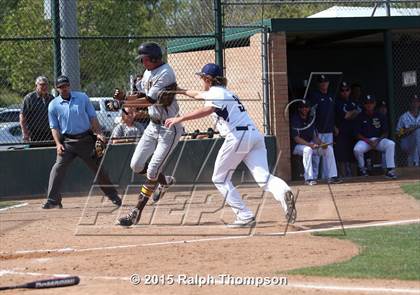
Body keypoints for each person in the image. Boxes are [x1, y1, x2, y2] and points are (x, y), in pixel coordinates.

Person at [165, 63, 297, 227]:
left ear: (208, 79)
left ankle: (245, 216)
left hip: (238, 136)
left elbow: (208, 109)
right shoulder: (225, 92)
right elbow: (198, 95)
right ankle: (283, 191)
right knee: (264, 178)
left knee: (219, 178)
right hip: (254, 135)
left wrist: (180, 118)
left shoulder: (216, 93)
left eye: (202, 78)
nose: (201, 80)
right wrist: (179, 90)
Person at [115, 42, 184, 227]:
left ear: (154, 58)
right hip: (153, 126)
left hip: (169, 128)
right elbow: (140, 96)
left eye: (144, 59)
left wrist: (123, 102)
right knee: (136, 165)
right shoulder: (147, 72)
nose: (142, 62)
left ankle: (136, 212)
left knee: (152, 170)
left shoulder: (165, 72)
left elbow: (149, 100)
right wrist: (124, 99)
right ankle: (164, 182)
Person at [42, 75, 121, 209]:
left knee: (98, 169)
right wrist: (58, 144)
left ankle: (113, 196)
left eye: (66, 86)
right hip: (67, 142)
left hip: (85, 140)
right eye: (61, 87)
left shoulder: (82, 97)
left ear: (69, 86)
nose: (64, 89)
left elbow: (92, 117)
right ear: (57, 88)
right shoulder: (53, 105)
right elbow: (54, 127)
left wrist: (100, 133)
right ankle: (53, 200)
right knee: (57, 168)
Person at [291, 100, 339, 185]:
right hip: (298, 146)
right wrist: (309, 144)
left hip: (311, 145)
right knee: (307, 150)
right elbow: (296, 138)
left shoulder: (310, 118)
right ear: (299, 109)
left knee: (329, 149)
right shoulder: (295, 119)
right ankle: (309, 178)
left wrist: (322, 144)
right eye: (302, 107)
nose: (305, 109)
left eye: (306, 107)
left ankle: (332, 177)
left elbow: (314, 137)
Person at [353, 94, 397, 179]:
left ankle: (390, 170)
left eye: (371, 103)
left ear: (374, 104)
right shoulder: (360, 116)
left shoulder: (380, 115)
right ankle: (362, 169)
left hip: (378, 140)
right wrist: (367, 141)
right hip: (365, 141)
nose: (369, 105)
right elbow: (357, 134)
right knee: (357, 149)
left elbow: (385, 132)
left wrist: (378, 140)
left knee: (391, 144)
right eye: (367, 103)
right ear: (364, 104)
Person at [308, 74, 341, 183]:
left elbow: (332, 113)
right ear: (318, 84)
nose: (324, 84)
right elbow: (311, 114)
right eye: (321, 82)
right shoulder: (314, 96)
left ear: (328, 83)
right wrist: (313, 130)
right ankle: (314, 177)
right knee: (316, 156)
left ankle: (329, 177)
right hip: (318, 130)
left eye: (325, 82)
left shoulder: (331, 96)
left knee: (328, 152)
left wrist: (334, 126)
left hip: (329, 130)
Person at [334, 81, 361, 177]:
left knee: (353, 157)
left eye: (347, 90)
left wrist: (352, 113)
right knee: (342, 158)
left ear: (350, 91)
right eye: (342, 90)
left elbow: (357, 115)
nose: (345, 92)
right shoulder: (337, 102)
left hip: (353, 133)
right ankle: (344, 178)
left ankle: (354, 178)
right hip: (341, 133)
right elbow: (346, 116)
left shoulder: (353, 102)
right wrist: (353, 112)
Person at [20, 76, 54, 143]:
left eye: (46, 84)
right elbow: (22, 117)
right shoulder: (29, 98)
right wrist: (25, 133)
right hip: (34, 133)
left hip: (49, 132)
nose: (44, 87)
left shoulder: (51, 98)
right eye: (41, 85)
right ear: (36, 85)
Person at [396, 95, 420, 166]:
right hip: (406, 143)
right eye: (413, 102)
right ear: (410, 103)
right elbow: (397, 133)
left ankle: (415, 163)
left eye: (417, 101)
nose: (415, 103)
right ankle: (416, 163)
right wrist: (408, 130)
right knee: (416, 132)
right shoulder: (404, 117)